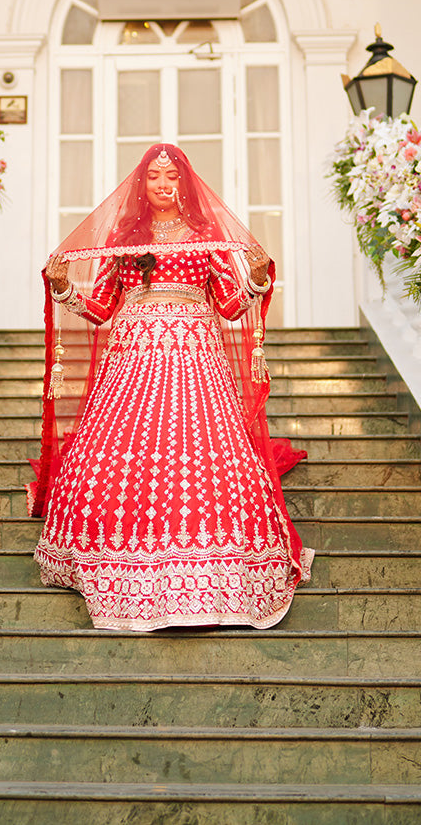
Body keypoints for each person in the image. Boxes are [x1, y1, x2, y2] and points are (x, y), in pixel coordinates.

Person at [28, 143, 313, 632]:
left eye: (172, 177)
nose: (163, 185)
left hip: (195, 358)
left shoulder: (206, 237)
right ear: (143, 184)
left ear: (185, 182)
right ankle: (116, 560)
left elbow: (228, 305)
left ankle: (214, 566)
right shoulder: (124, 239)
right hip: (133, 359)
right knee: (125, 451)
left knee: (202, 453)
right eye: (154, 177)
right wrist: (62, 287)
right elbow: (100, 309)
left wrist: (259, 282)